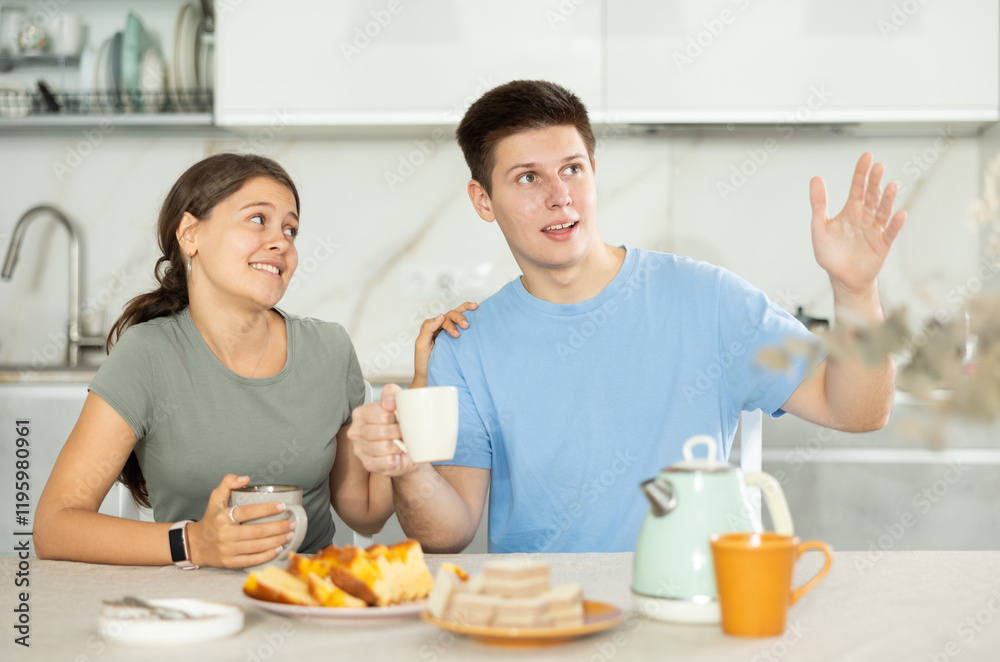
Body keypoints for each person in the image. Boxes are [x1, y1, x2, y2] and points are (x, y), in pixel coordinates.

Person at [347, 80, 906, 554]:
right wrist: (409, 469)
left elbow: (858, 410)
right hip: (545, 619)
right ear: (482, 199)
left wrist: (855, 291)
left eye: (572, 169)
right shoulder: (466, 344)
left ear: (594, 171)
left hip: (700, 606)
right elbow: (449, 534)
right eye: (528, 178)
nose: (560, 196)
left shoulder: (706, 299)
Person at [33, 153, 469, 569]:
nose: (281, 241)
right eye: (258, 219)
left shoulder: (329, 350)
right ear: (191, 234)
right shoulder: (147, 355)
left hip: (309, 597)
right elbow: (55, 526)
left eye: (291, 230)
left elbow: (366, 511)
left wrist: (419, 389)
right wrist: (194, 543)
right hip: (193, 606)